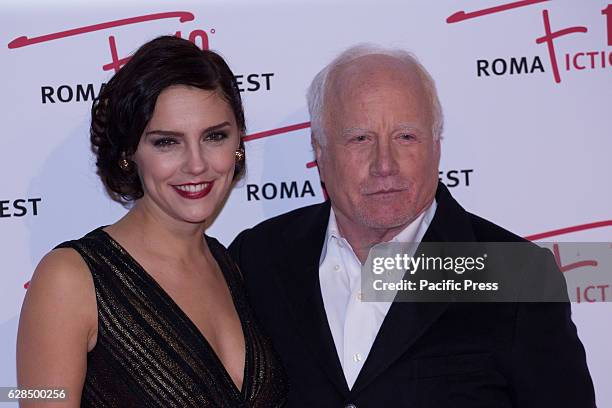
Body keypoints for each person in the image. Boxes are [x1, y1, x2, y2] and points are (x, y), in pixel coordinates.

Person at [229, 44, 595, 407]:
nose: (384, 164)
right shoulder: (259, 258)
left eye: (406, 137)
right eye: (360, 138)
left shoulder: (516, 276)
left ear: (436, 146)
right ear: (319, 150)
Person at [17, 36, 287, 407]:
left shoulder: (231, 267)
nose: (196, 164)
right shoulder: (70, 279)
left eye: (214, 136)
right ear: (130, 152)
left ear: (238, 144)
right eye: (167, 142)